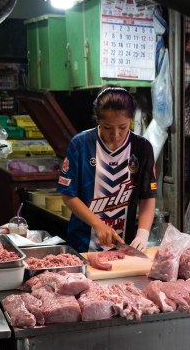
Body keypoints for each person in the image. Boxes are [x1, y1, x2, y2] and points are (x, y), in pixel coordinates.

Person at [58, 86, 157, 252]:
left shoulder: (142, 147)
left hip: (124, 245)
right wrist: (97, 224)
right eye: (108, 128)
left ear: (131, 119)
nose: (116, 135)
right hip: (83, 244)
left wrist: (142, 234)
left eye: (123, 127)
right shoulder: (81, 144)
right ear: (98, 120)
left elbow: (147, 196)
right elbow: (68, 194)